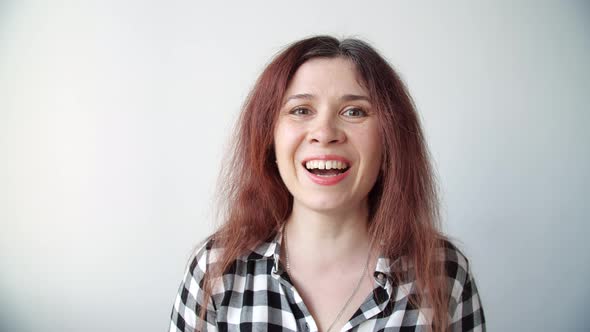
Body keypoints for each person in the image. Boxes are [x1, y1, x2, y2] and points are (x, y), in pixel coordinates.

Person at [169, 35, 485, 332]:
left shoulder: (444, 274)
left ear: (389, 141)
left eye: (354, 111)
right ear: (269, 139)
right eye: (301, 110)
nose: (325, 132)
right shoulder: (215, 271)